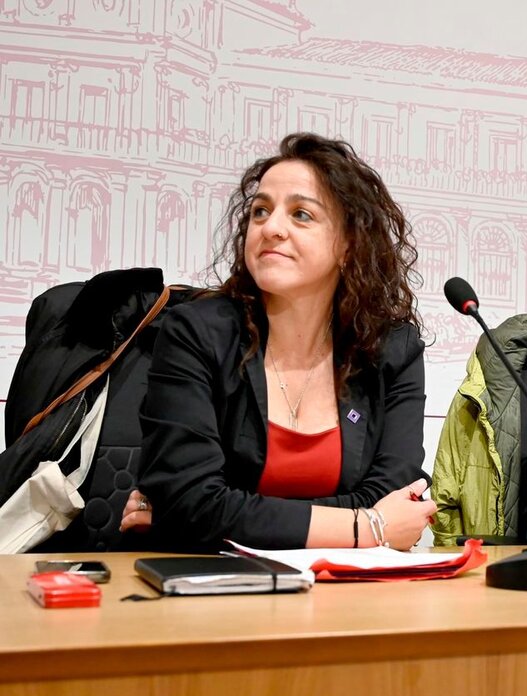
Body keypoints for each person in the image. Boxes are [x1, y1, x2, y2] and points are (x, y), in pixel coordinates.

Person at [121, 132, 435, 552]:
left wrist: (222, 512)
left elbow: (394, 498)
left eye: (301, 214)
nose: (272, 228)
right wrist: (368, 528)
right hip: (208, 589)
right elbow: (193, 505)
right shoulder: (194, 332)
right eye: (260, 211)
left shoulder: (392, 349)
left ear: (348, 245)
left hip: (348, 596)